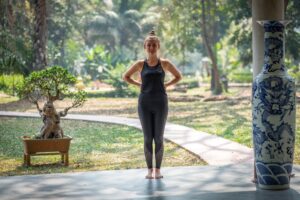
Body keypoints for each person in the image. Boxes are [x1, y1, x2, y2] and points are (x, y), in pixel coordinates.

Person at [123, 30, 182, 179]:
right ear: (145, 46)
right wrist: (139, 84)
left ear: (158, 46)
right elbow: (126, 76)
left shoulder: (165, 63)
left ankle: (158, 170)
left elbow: (178, 76)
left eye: (154, 45)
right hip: (144, 103)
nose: (151, 47)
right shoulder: (140, 64)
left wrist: (166, 85)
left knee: (159, 138)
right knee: (148, 138)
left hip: (161, 103)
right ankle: (149, 170)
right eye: (149, 45)